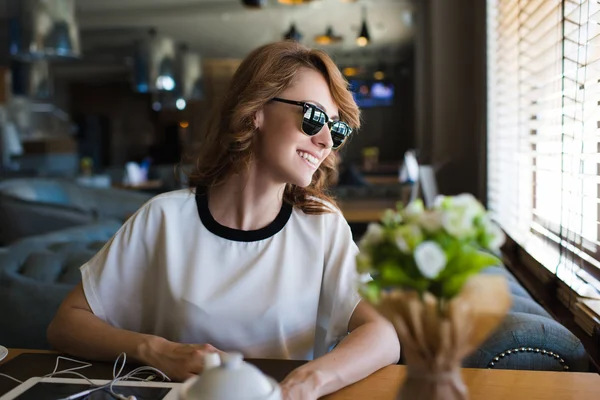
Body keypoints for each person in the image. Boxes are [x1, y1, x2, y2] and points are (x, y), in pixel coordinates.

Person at [47, 41, 400, 399]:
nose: (325, 141)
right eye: (313, 117)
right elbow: (66, 323)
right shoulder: (163, 218)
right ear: (256, 111)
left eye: (336, 129)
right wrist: (154, 350)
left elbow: (383, 335)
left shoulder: (322, 227)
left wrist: (302, 385)